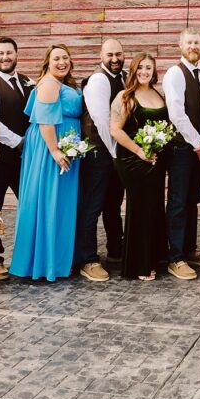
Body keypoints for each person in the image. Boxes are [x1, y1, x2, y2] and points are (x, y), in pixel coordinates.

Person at [9, 44, 83, 281]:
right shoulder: (50, 84)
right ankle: (45, 263)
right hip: (50, 147)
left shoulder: (61, 83)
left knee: (58, 202)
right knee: (49, 200)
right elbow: (45, 122)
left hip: (63, 145)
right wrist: (55, 151)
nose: (62, 62)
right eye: (56, 58)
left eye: (65, 58)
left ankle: (55, 259)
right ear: (47, 63)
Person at [110, 54, 170, 281]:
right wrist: (138, 150)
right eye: (141, 68)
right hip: (133, 159)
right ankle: (139, 265)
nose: (144, 72)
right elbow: (115, 130)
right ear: (133, 70)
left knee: (154, 206)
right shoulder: (126, 96)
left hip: (155, 159)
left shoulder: (157, 93)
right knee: (140, 207)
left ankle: (154, 257)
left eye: (149, 68)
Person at [75, 38, 126, 283]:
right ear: (101, 55)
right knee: (92, 206)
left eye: (118, 54)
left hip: (115, 152)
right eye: (109, 55)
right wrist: (116, 152)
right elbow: (102, 121)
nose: (114, 59)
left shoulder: (123, 78)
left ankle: (116, 252)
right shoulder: (98, 80)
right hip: (99, 152)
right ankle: (88, 259)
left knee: (113, 205)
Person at [0, 37, 34, 277]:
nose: (5, 57)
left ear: (16, 54)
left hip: (26, 160)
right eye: (0, 53)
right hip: (0, 159)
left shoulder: (28, 82)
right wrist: (19, 141)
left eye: (9, 53)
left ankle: (29, 254)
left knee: (31, 205)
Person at [163, 28, 200, 280]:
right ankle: (175, 257)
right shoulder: (175, 73)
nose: (193, 46)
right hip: (182, 147)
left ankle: (189, 249)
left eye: (197, 42)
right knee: (179, 202)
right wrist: (197, 142)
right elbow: (176, 113)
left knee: (193, 199)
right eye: (189, 42)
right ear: (180, 45)